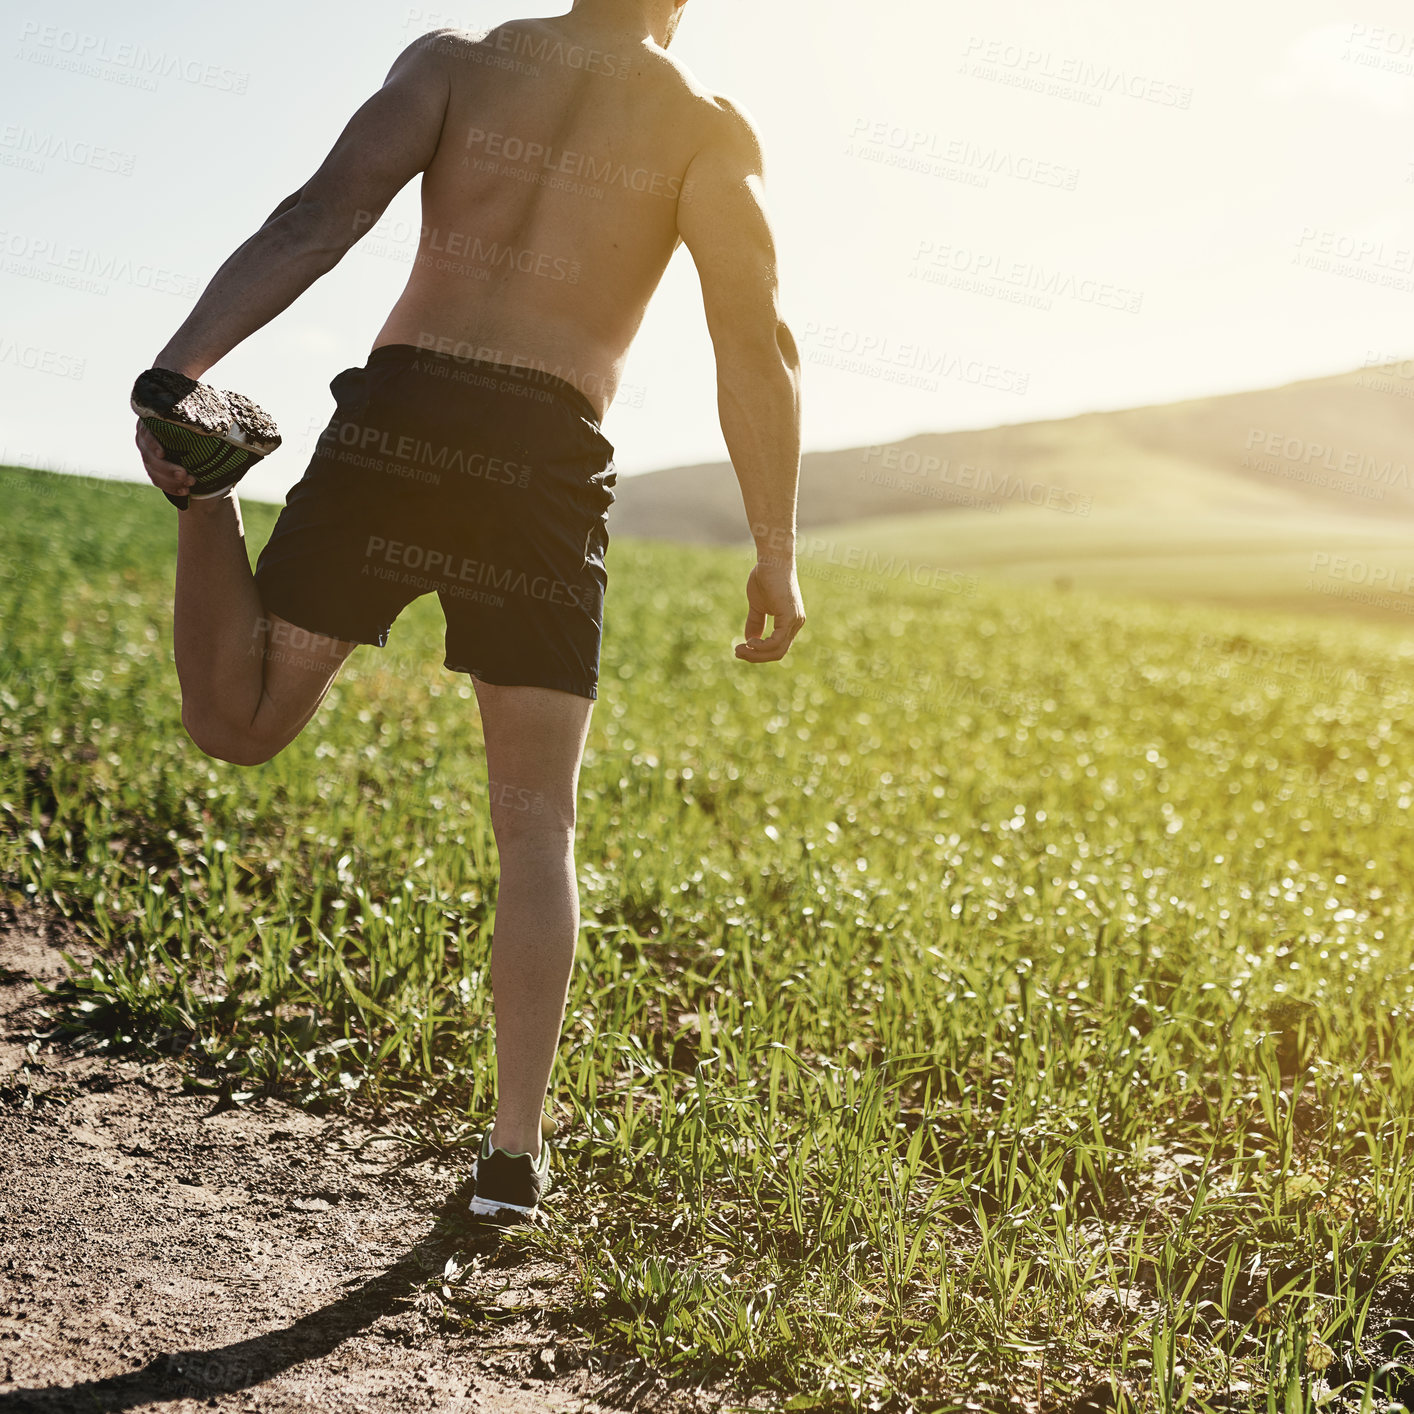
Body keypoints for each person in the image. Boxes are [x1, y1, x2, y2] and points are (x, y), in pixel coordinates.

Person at [133, 0, 806, 1225]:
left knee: (236, 724)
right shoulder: (705, 130)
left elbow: (318, 219)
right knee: (535, 821)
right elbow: (750, 335)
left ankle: (206, 493)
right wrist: (775, 550)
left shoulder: (455, 65)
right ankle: (512, 1156)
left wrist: (177, 373)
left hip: (404, 417)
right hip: (543, 456)